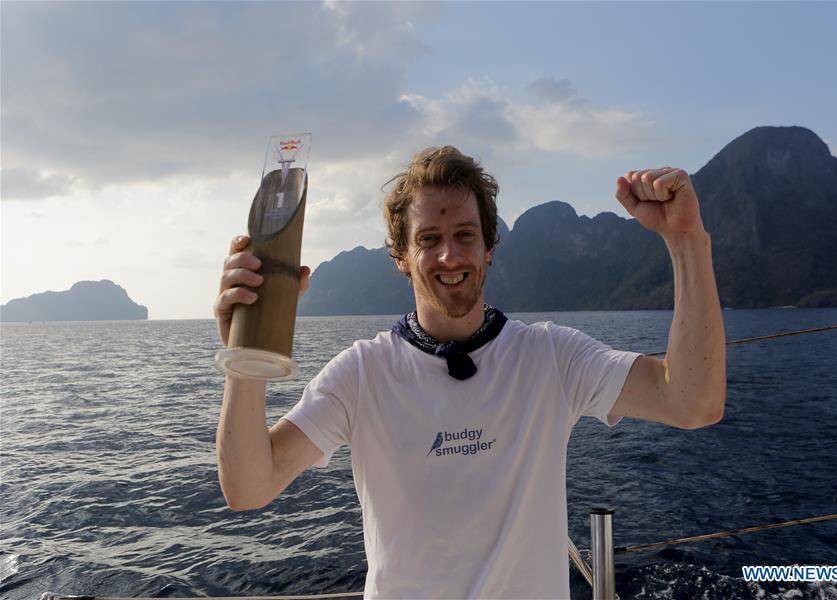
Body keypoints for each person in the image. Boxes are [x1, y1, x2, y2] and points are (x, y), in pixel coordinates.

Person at [213, 146, 726, 599]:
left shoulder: (552, 356)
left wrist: (686, 241)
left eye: (465, 235)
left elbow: (691, 401)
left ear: (489, 249)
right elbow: (249, 487)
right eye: (428, 238)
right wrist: (246, 350)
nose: (449, 254)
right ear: (401, 258)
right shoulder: (362, 373)